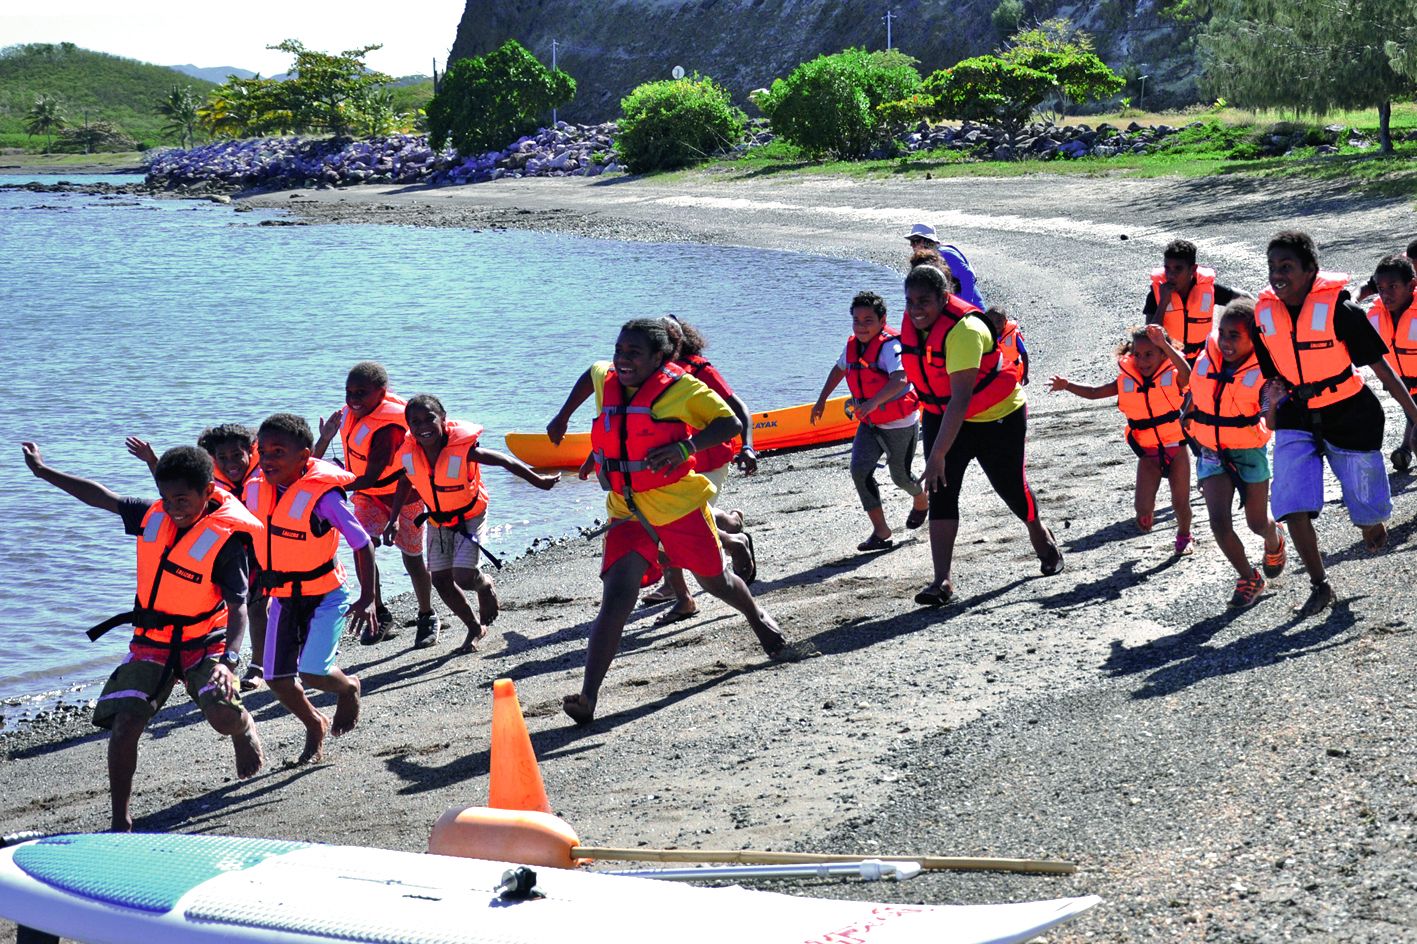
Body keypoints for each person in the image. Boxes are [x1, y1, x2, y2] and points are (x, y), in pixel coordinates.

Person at [559, 318, 816, 726]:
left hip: (678, 506)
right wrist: (562, 417)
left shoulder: (681, 389)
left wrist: (687, 447)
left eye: (634, 354)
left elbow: (729, 421)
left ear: (659, 358)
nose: (622, 360)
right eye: (619, 350)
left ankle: (758, 618)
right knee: (616, 599)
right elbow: (589, 376)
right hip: (626, 509)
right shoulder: (607, 376)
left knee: (715, 583)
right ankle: (588, 698)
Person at [22, 442, 265, 831]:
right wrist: (44, 472)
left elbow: (238, 607)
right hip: (151, 640)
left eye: (183, 499)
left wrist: (228, 662)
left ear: (207, 491)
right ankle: (120, 819)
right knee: (125, 726)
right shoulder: (154, 516)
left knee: (222, 717)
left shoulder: (226, 541)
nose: (173, 508)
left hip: (206, 641)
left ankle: (243, 728)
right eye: (166, 499)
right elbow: (102, 497)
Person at [1251, 231, 1417, 617]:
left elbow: (1382, 369)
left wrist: (1413, 413)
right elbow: (1271, 376)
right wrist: (1268, 409)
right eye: (1273, 267)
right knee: (1292, 504)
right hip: (1296, 413)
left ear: (1311, 270)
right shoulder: (1265, 315)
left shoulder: (1342, 312)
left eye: (1287, 266)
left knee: (1370, 514)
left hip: (1350, 413)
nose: (1278, 274)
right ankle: (1319, 584)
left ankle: (1371, 524)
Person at [901, 265, 1061, 606]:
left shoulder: (965, 330)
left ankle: (1040, 534)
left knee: (1011, 488)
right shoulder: (915, 326)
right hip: (941, 414)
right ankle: (941, 580)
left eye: (924, 301)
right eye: (910, 301)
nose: (916, 309)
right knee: (941, 492)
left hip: (996, 416)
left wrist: (937, 454)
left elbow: (961, 399)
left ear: (945, 298)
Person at [245, 413, 376, 763]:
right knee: (276, 678)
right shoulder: (255, 487)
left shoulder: (324, 498)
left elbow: (362, 543)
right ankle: (314, 723)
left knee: (314, 671)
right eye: (264, 451)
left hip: (325, 595)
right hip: (284, 598)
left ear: (304, 456)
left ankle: (348, 687)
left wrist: (368, 597)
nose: (268, 459)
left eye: (278, 452)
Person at [383, 394, 559, 651]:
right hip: (437, 520)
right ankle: (474, 627)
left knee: (464, 577)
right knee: (441, 581)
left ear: (443, 419)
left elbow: (502, 459)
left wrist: (537, 480)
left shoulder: (463, 449)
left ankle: (484, 584)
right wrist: (394, 518)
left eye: (429, 418)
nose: (423, 426)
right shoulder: (410, 454)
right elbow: (405, 481)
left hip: (469, 516)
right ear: (409, 426)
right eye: (415, 422)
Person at [126, 424, 270, 691]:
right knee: (245, 606)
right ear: (213, 459)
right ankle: (242, 661)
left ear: (250, 451)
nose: (231, 463)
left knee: (259, 608)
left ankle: (259, 666)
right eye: (222, 458)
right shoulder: (207, 483)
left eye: (237, 455)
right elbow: (174, 488)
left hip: (260, 554)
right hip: (225, 557)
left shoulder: (264, 476)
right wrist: (152, 461)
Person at [314, 361, 436, 645]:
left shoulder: (388, 428)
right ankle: (380, 614)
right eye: (349, 392)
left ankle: (427, 615)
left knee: (413, 558)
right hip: (368, 495)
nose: (353, 399)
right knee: (363, 544)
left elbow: (370, 477)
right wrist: (326, 438)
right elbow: (320, 461)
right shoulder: (349, 416)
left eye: (361, 393)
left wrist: (331, 484)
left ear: (381, 393)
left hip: (404, 496)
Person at [1050, 324, 1196, 554]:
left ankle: (1184, 534)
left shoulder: (1175, 376)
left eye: (1149, 354)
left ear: (1162, 353)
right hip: (1147, 452)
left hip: (1175, 448)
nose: (1142, 361)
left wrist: (1164, 344)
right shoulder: (1126, 381)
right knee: (1142, 509)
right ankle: (1147, 516)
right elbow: (1094, 392)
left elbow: (1188, 374)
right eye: (1137, 355)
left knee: (1180, 503)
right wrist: (1068, 386)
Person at [1182, 300, 1288, 607]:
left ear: (1254, 339)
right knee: (1218, 522)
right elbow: (1193, 393)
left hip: (1248, 451)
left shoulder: (1264, 374)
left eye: (1235, 336)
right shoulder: (1208, 359)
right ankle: (1248, 577)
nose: (1226, 342)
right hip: (1212, 451)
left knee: (1257, 523)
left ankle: (1273, 537)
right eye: (1223, 334)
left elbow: (1269, 421)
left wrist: (1275, 399)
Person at [810, 290, 928, 551]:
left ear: (882, 320)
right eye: (856, 320)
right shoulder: (852, 345)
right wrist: (820, 400)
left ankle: (921, 499)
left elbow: (900, 379)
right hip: (870, 423)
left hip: (900, 423)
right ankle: (881, 531)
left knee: (901, 477)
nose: (861, 327)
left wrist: (872, 403)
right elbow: (840, 369)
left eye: (868, 321)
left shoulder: (891, 346)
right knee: (860, 470)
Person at [1143, 239, 1243, 367]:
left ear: (1193, 269)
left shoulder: (1209, 289)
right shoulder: (1156, 294)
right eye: (1167, 268)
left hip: (1202, 360)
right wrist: (1163, 303)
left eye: (1178, 268)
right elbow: (1150, 337)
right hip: (1171, 361)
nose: (1171, 275)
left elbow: (1244, 299)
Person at [1363, 253, 1417, 472]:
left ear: (1411, 285)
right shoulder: (1376, 315)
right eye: (1381, 289)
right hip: (1404, 388)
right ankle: (1405, 449)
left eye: (1393, 287)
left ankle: (1406, 448)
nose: (1386, 294)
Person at [905, 223, 986, 310]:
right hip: (954, 307)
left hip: (973, 307)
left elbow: (968, 275)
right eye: (911, 241)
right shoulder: (927, 259)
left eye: (915, 241)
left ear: (927, 241)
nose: (912, 245)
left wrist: (965, 306)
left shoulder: (945, 253)